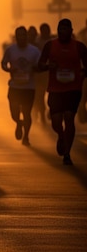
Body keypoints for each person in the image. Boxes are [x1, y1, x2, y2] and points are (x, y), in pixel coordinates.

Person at [37, 18, 87, 165]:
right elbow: (40, 65)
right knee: (56, 121)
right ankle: (61, 135)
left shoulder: (79, 46)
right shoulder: (49, 45)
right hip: (55, 88)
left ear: (71, 31)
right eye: (60, 29)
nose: (62, 32)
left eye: (65, 29)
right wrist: (48, 66)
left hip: (73, 88)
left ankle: (67, 153)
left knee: (69, 117)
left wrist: (84, 73)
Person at [1, 26, 40, 146]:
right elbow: (3, 64)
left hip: (29, 87)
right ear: (16, 37)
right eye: (19, 35)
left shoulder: (34, 51)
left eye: (24, 35)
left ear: (27, 36)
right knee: (14, 112)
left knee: (27, 113)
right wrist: (9, 69)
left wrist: (33, 68)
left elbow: (41, 66)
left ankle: (26, 137)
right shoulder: (10, 50)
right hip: (14, 86)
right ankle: (18, 122)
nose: (21, 38)